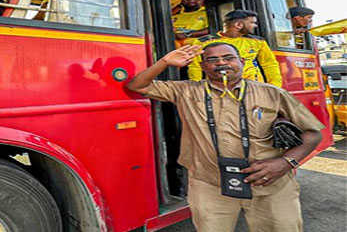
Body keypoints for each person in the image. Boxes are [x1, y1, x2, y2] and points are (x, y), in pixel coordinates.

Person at [126, 43, 324, 232]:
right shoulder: (185, 90)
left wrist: (285, 162)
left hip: (270, 183)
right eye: (213, 60)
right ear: (203, 66)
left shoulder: (273, 93)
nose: (221, 63)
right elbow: (137, 85)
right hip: (210, 185)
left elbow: (313, 133)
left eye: (228, 58)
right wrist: (165, 62)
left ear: (242, 62)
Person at [188, 9, 282, 88]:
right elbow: (195, 67)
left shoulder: (258, 42)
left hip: (253, 89)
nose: (255, 26)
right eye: (252, 22)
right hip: (218, 89)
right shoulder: (203, 42)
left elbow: (270, 65)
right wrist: (198, 89)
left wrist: (275, 87)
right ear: (238, 25)